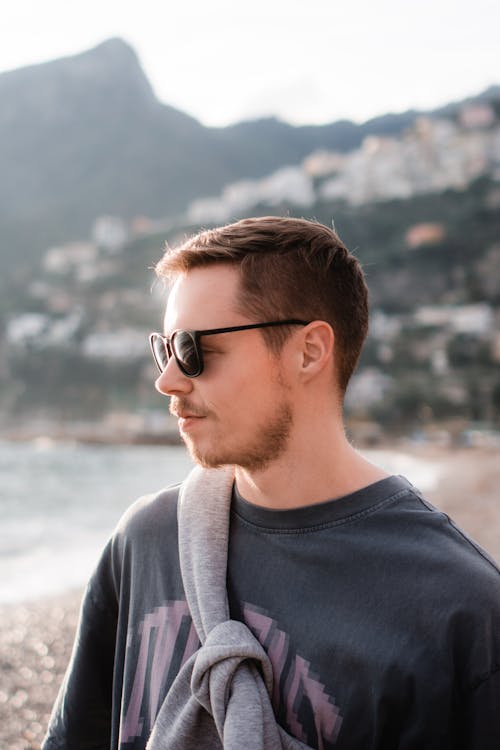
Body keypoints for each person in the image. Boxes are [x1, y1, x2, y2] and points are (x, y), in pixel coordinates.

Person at [42, 216, 500, 750]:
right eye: (163, 348)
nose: (167, 379)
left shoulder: (460, 611)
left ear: (308, 351)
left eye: (193, 349)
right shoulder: (145, 541)